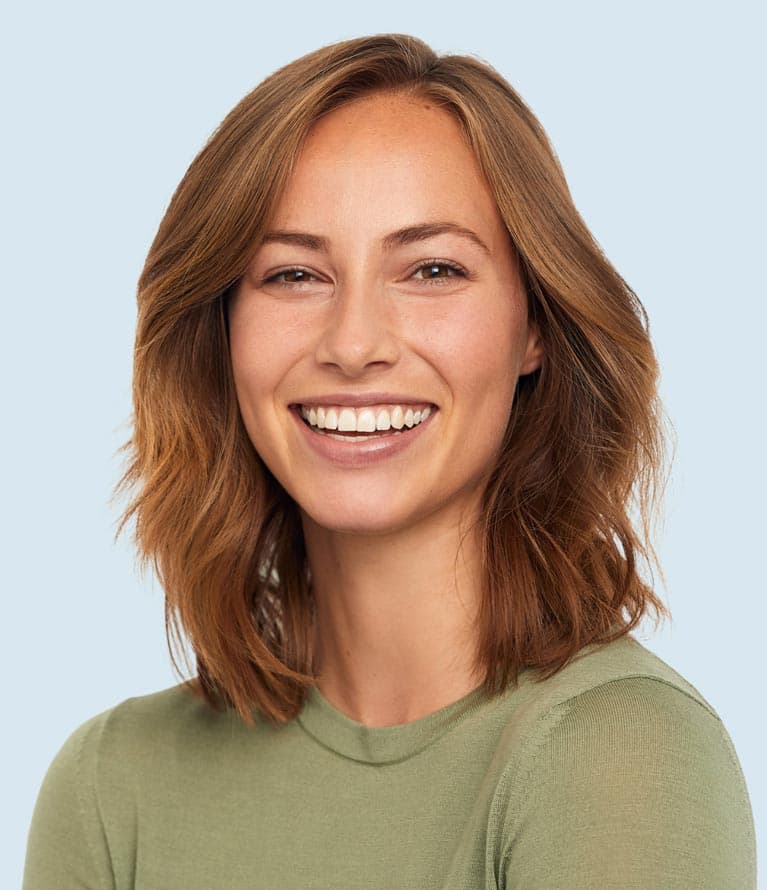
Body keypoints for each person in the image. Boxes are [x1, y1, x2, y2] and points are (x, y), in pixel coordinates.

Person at [23, 33, 756, 889]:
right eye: (293, 275)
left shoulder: (619, 751)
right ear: (219, 333)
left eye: (432, 269)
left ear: (533, 329)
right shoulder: (113, 786)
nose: (353, 342)